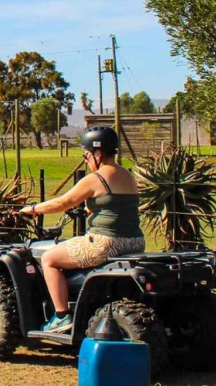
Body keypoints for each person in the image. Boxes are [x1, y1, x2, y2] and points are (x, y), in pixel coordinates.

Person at [16, 125, 146, 334]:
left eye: (86, 155)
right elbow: (115, 205)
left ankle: (60, 316)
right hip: (135, 241)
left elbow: (62, 203)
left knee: (49, 258)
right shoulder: (127, 175)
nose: (85, 160)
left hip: (106, 243)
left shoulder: (97, 178)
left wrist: (32, 209)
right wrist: (89, 210)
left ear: (98, 153)